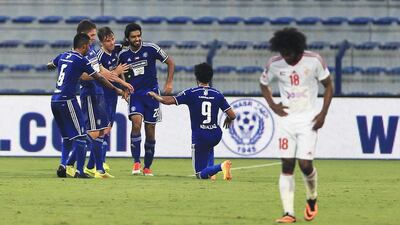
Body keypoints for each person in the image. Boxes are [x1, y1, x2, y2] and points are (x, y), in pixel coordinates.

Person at [259, 28, 333, 223]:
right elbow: (263, 84)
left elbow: (329, 86)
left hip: (309, 120)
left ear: (298, 50)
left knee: (305, 165)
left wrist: (323, 114)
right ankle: (288, 213)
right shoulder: (274, 64)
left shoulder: (314, 60)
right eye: (283, 53)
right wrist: (273, 105)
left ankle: (312, 197)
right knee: (287, 165)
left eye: (289, 54)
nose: (286, 57)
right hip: (286, 121)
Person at [51, 33, 126, 178]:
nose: (91, 45)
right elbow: (99, 77)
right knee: (82, 135)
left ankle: (72, 165)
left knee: (72, 136)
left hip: (54, 99)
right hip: (68, 99)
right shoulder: (81, 59)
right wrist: (116, 89)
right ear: (84, 45)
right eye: (90, 42)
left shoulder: (63, 55)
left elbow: (50, 64)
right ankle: (77, 169)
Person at [65, 20, 133, 178]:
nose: (93, 38)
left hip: (100, 94)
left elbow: (104, 72)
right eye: (92, 35)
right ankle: (74, 164)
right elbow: (87, 75)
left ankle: (96, 168)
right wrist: (106, 77)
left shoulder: (92, 52)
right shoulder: (80, 54)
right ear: (83, 36)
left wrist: (123, 85)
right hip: (90, 94)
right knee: (94, 133)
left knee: (102, 132)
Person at [148, 62, 236, 180]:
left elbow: (168, 101)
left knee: (199, 174)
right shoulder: (217, 94)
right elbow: (232, 115)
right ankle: (212, 174)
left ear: (196, 77)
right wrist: (228, 119)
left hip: (200, 136)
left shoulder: (191, 93)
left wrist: (155, 96)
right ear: (210, 77)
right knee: (209, 147)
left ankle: (221, 166)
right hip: (215, 134)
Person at [118, 22, 175, 176]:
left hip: (152, 95)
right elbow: (119, 73)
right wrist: (124, 88)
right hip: (135, 95)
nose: (137, 39)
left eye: (138, 36)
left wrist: (169, 83)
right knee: (136, 123)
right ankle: (136, 162)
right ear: (128, 38)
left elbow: (170, 62)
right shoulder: (123, 55)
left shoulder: (151, 48)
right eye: (133, 37)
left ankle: (147, 166)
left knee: (150, 131)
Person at [96, 26, 130, 171]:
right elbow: (103, 76)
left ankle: (102, 160)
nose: (111, 43)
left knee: (108, 128)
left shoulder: (116, 48)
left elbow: (124, 43)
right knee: (102, 130)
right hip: (101, 95)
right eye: (107, 41)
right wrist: (117, 72)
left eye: (112, 39)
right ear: (101, 43)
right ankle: (98, 162)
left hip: (112, 95)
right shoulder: (99, 56)